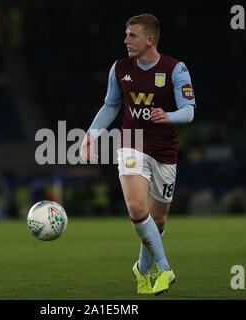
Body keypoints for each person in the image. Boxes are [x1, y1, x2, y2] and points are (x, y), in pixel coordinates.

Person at [80, 13, 196, 295]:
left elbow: (189, 112)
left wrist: (167, 116)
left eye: (132, 35)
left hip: (165, 151)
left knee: (156, 221)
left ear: (149, 39)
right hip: (132, 141)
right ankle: (165, 269)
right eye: (126, 34)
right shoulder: (119, 69)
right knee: (135, 208)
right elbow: (110, 105)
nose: (126, 40)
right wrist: (92, 134)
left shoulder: (175, 69)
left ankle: (142, 270)